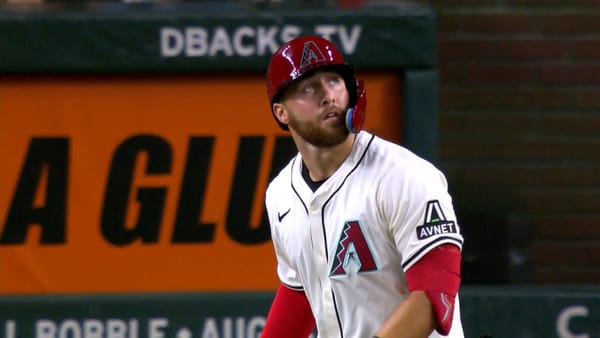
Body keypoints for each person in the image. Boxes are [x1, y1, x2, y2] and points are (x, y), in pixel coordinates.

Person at [261, 35, 464, 338]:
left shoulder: (405, 176)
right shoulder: (280, 194)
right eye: (309, 87)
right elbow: (301, 292)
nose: (328, 95)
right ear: (281, 112)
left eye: (334, 81)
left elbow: (435, 297)